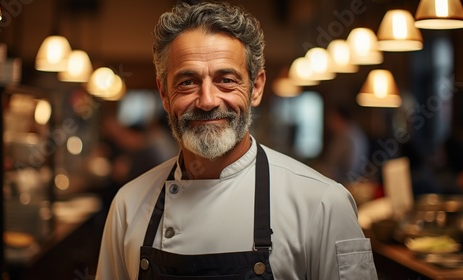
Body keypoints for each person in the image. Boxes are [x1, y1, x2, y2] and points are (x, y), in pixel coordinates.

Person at [95, 2, 378, 279]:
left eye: (226, 80)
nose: (207, 101)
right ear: (164, 94)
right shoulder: (128, 206)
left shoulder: (324, 204)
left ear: (256, 88)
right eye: (187, 82)